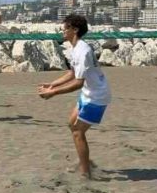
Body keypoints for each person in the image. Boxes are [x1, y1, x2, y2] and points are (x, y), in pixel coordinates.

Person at [38, 14, 111, 179]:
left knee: (78, 132)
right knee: (72, 124)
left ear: (75, 30)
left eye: (65, 28)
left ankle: (86, 173)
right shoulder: (76, 48)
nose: (62, 31)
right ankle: (85, 161)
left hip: (97, 96)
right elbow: (71, 73)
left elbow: (78, 82)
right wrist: (52, 84)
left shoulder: (83, 51)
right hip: (88, 93)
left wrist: (53, 93)